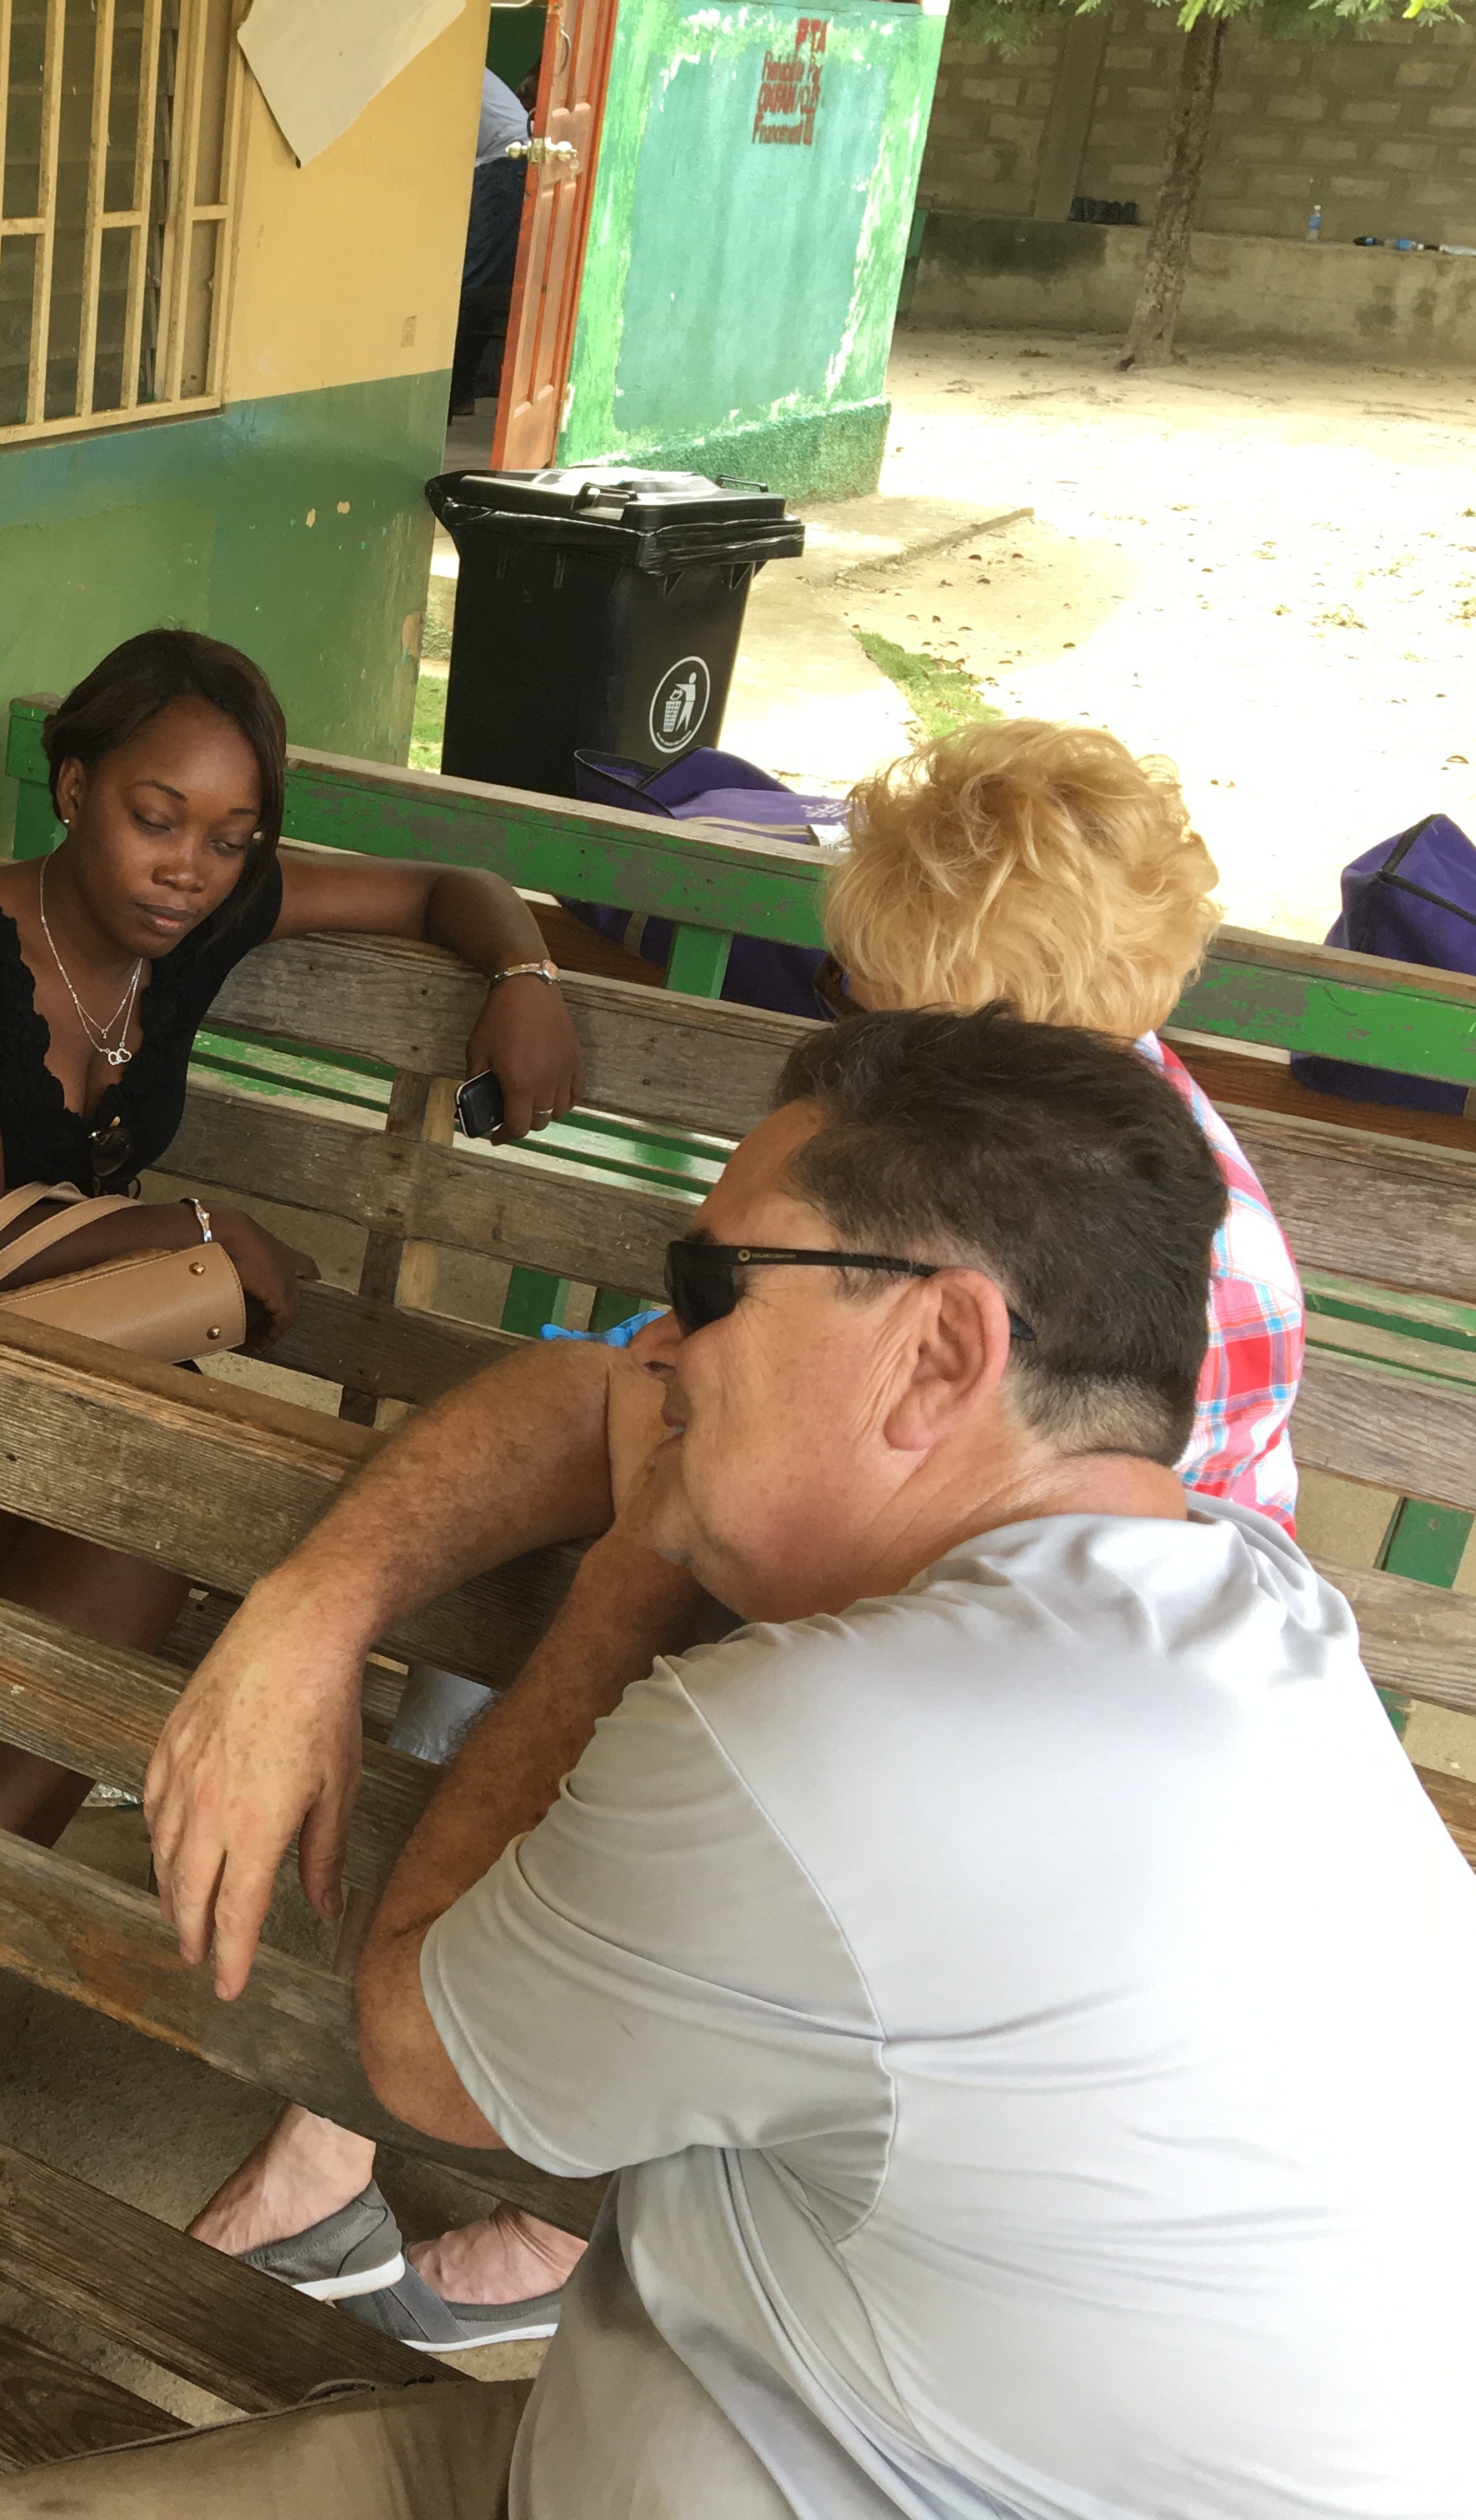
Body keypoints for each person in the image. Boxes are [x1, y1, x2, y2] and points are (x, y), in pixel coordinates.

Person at [0, 1008, 1476, 2517]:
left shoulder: (834, 1748)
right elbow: (584, 1402)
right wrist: (320, 1600)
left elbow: (420, 2052)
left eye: (710, 1288)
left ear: (943, 1353)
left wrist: (624, 1574)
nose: (662, 1346)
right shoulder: (1248, 1606)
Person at [182, 714, 1307, 2349]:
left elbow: (860, 1543)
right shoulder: (981, 1159)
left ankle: (429, 2146)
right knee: (555, 1569)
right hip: (921, 1699)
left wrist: (647, 1519)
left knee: (605, 1630)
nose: (847, 1021)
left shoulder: (1142, 1262)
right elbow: (651, 1394)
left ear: (977, 1027)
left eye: (877, 998)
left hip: (1001, 1796)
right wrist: (318, 1600)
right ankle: (364, 2147)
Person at [0, 626, 583, 2123]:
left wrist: (523, 971)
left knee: (150, 1536)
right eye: (151, 816)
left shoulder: (203, 926)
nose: (187, 867)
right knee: (155, 1508)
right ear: (72, 783)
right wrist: (204, 1230)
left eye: (229, 839)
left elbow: (445, 890)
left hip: (53, 1399)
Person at [451, 69, 533, 422]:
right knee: (480, 282)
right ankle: (460, 393)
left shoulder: (446, 65)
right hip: (505, 164)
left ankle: (453, 394)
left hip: (503, 164)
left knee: (473, 285)